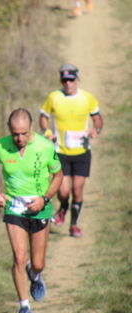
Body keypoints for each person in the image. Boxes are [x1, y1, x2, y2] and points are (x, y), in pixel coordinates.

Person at [0, 108, 63, 313]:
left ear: (31, 129)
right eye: (15, 134)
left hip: (40, 207)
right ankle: (24, 307)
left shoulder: (45, 147)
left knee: (37, 263)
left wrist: (45, 199)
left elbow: (58, 175)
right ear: (9, 131)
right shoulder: (0, 146)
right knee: (19, 257)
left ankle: (36, 274)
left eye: (24, 133)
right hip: (14, 207)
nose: (19, 138)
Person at [39, 64, 103, 238]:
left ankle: (74, 225)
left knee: (77, 190)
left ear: (77, 79)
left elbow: (97, 119)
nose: (68, 84)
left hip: (82, 152)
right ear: (61, 80)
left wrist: (95, 130)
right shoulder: (54, 97)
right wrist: (47, 132)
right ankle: (63, 209)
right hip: (60, 152)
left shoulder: (87, 98)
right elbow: (43, 117)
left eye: (71, 80)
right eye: (64, 80)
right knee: (63, 191)